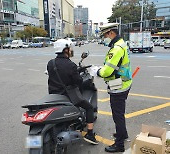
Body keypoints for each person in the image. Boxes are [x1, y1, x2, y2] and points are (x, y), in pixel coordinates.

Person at [47, 39, 98, 145]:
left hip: (53, 96)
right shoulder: (71, 65)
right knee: (89, 107)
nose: (71, 50)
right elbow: (78, 81)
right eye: (70, 48)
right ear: (65, 49)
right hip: (68, 96)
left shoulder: (50, 63)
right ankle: (90, 134)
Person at [92, 23, 132, 152]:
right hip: (124, 83)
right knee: (120, 113)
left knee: (117, 115)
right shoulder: (121, 44)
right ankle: (123, 134)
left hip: (118, 86)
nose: (104, 38)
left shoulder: (116, 49)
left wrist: (97, 71)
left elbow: (107, 71)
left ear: (111, 33)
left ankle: (119, 144)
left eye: (104, 35)